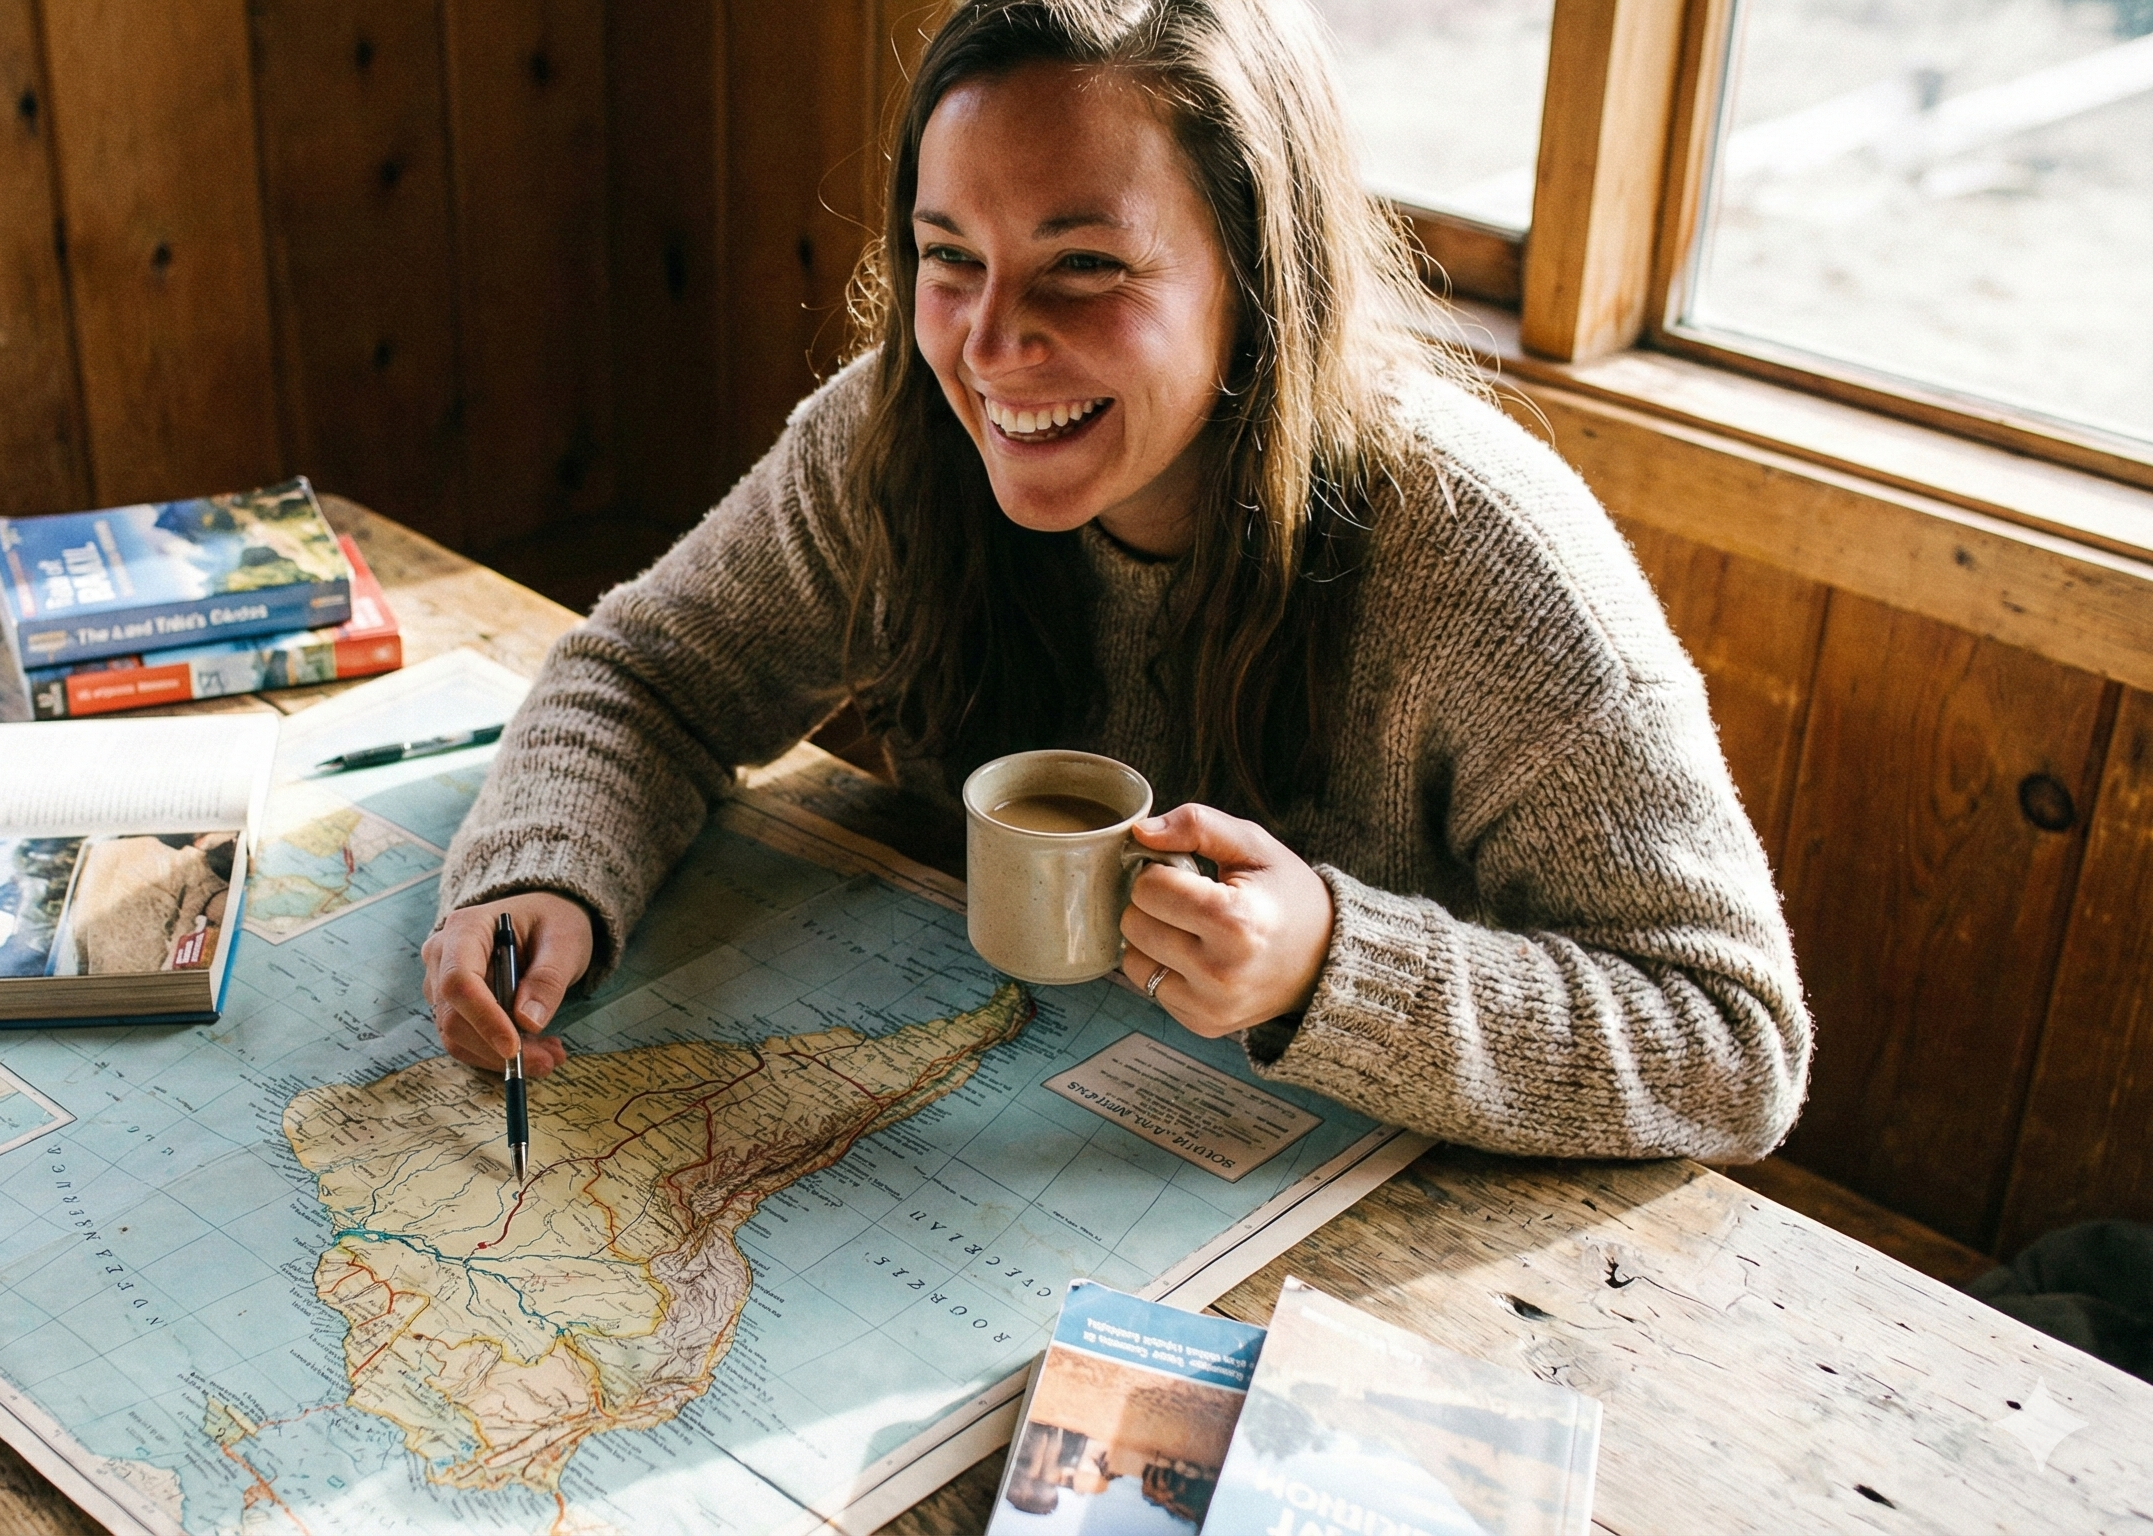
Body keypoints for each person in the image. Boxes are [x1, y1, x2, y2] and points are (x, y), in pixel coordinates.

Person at [417, 0, 1809, 1160]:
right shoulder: (892, 440)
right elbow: (649, 678)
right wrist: (545, 869)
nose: (990, 345)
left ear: (1259, 277)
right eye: (949, 257)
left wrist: (1331, 963)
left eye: (1084, 266)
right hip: (977, 1150)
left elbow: (1734, 1044)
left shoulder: (1485, 558)